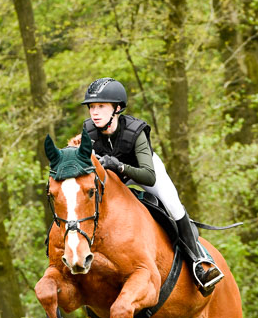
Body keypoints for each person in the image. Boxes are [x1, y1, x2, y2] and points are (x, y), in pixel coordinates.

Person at [80, 77, 224, 294]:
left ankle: (199, 263)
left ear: (117, 108)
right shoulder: (88, 131)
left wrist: (119, 167)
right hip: (113, 178)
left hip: (141, 171)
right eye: (92, 107)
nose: (95, 112)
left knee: (173, 206)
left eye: (101, 106)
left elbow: (149, 176)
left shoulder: (135, 132)